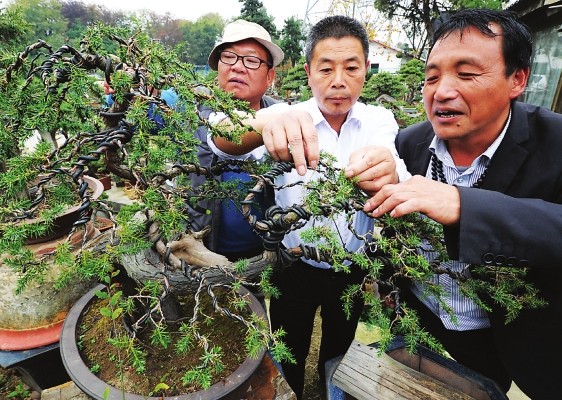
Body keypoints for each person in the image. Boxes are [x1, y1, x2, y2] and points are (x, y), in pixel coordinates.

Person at [363, 9, 562, 400]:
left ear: (517, 79)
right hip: (425, 324)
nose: (442, 91)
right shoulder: (409, 144)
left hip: (514, 337)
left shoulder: (555, 142)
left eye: (466, 74)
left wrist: (463, 205)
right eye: (432, 76)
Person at [209, 15, 410, 398]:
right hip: (292, 265)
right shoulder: (288, 119)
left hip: (351, 267)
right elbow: (222, 139)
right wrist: (264, 120)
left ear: (366, 69)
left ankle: (332, 389)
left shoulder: (379, 120)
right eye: (326, 68)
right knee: (289, 346)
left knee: (339, 346)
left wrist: (390, 172)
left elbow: (395, 168)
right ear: (308, 71)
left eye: (351, 68)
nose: (338, 80)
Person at [187, 19, 284, 261]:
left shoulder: (284, 117)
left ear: (269, 76)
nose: (238, 67)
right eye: (229, 57)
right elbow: (139, 117)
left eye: (251, 60)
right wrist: (117, 96)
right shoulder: (188, 111)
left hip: (264, 252)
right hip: (202, 250)